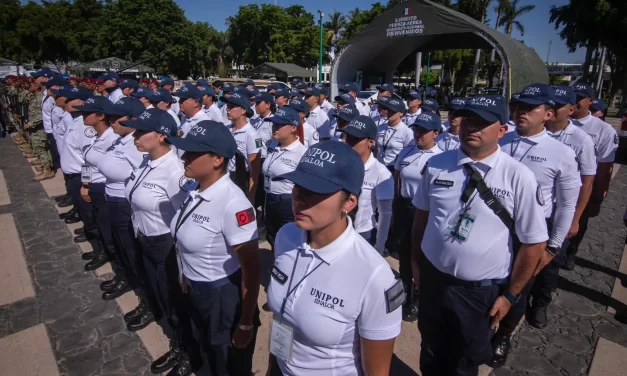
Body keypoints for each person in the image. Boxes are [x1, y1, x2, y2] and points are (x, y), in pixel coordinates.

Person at [411, 95, 548, 376]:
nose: (471, 128)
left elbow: (534, 244)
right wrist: (416, 265)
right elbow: (421, 220)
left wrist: (510, 295)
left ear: (502, 130)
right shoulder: (437, 165)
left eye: (482, 123)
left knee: (464, 362)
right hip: (434, 281)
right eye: (468, 120)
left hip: (478, 293)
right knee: (430, 349)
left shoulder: (518, 177)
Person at [265, 140, 403, 376]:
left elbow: (377, 372)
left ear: (349, 202)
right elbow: (282, 320)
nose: (300, 198)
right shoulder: (286, 237)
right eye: (298, 186)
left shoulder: (375, 276)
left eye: (316, 192)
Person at [492, 84, 580, 367]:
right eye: (518, 107)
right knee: (490, 283)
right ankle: (485, 327)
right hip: (494, 225)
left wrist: (553, 247)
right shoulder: (501, 141)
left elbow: (566, 204)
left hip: (530, 232)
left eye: (530, 109)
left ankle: (503, 335)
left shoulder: (561, 153)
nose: (521, 113)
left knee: (518, 287)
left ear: (548, 113)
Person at [167, 120, 261, 376]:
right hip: (197, 288)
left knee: (226, 363)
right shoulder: (195, 190)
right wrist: (186, 273)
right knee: (206, 353)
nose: (184, 157)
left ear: (217, 160)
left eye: (193, 153)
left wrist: (245, 323)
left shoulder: (234, 204)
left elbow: (251, 272)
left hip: (221, 298)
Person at [122, 108, 196, 375]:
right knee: (163, 299)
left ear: (162, 136)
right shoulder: (146, 162)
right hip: (145, 238)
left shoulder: (175, 172)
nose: (136, 136)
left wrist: (183, 265)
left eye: (142, 131)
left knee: (176, 304)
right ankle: (177, 342)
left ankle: (187, 351)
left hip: (166, 246)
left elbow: (184, 219)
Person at [394, 112, 443, 322]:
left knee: (421, 256)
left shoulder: (440, 159)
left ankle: (420, 295)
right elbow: (397, 179)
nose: (418, 134)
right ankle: (406, 292)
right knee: (404, 254)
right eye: (416, 129)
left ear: (436, 133)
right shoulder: (406, 152)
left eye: (424, 131)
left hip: (425, 212)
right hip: (404, 208)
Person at [565, 82, 618, 270]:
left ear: (591, 101)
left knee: (578, 222)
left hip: (584, 187)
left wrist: (599, 195)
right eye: (572, 97)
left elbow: (605, 167)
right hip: (560, 185)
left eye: (579, 98)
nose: (574, 102)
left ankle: (571, 252)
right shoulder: (558, 121)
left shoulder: (603, 130)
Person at [57, 87, 111, 264]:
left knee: (92, 218)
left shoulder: (85, 127)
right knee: (87, 217)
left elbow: (87, 159)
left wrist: (85, 183)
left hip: (82, 176)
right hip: (75, 176)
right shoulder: (77, 121)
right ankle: (97, 248)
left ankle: (101, 251)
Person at [547, 86, 597, 266]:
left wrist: (575, 219)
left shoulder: (581, 140)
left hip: (560, 209)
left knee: (549, 266)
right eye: (549, 104)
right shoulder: (537, 132)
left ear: (571, 109)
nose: (552, 110)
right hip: (536, 208)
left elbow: (587, 182)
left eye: (558, 106)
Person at [340, 115, 394, 255]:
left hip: (362, 235)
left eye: (356, 139)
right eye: (348, 137)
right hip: (336, 231)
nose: (349, 142)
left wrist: (379, 247)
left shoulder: (381, 173)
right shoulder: (339, 164)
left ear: (371, 142)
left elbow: (384, 214)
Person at [261, 106, 307, 248]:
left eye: (280, 125)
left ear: (293, 128)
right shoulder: (274, 147)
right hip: (269, 198)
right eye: (274, 124)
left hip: (287, 203)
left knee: (288, 241)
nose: (275, 128)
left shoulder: (302, 153)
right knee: (272, 237)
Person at [224, 91, 262, 203]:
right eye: (228, 106)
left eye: (232, 107)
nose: (228, 109)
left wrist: (251, 197)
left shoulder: (252, 135)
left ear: (243, 110)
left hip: (240, 180)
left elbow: (254, 171)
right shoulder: (226, 129)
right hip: (225, 177)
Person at [25, 77, 55, 180]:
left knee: (40, 149)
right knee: (42, 149)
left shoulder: (40, 97)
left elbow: (41, 115)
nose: (29, 86)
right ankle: (46, 167)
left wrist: (30, 124)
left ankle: (47, 171)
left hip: (39, 128)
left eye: (32, 84)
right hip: (36, 128)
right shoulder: (37, 96)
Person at [376, 97, 414, 172]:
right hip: (379, 166)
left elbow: (409, 154)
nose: (389, 113)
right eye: (388, 110)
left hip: (394, 168)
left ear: (401, 113)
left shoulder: (407, 131)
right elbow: (376, 149)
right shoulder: (380, 128)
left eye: (393, 111)